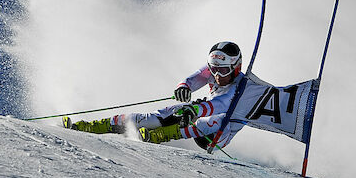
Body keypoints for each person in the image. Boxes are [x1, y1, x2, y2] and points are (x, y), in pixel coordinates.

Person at [62, 41, 245, 150]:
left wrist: (195, 109)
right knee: (152, 117)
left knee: (211, 119)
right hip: (202, 110)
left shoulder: (241, 87)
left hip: (217, 134)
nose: (217, 75)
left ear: (236, 68)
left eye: (222, 70)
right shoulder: (214, 71)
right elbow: (193, 79)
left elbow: (221, 104)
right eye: (213, 69)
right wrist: (184, 87)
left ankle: (160, 135)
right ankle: (86, 127)